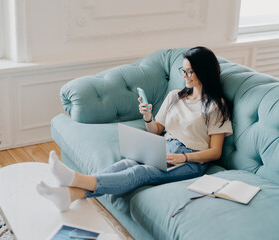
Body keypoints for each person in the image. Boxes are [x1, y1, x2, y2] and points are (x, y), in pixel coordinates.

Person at [36, 46, 233, 212]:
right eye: (183, 71)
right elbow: (155, 130)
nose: (185, 76)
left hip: (191, 160)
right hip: (164, 146)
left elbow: (215, 152)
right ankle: (69, 194)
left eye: (190, 71)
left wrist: (185, 158)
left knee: (141, 173)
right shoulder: (175, 96)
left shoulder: (216, 106)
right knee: (124, 164)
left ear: (204, 71)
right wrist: (147, 116)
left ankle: (75, 180)